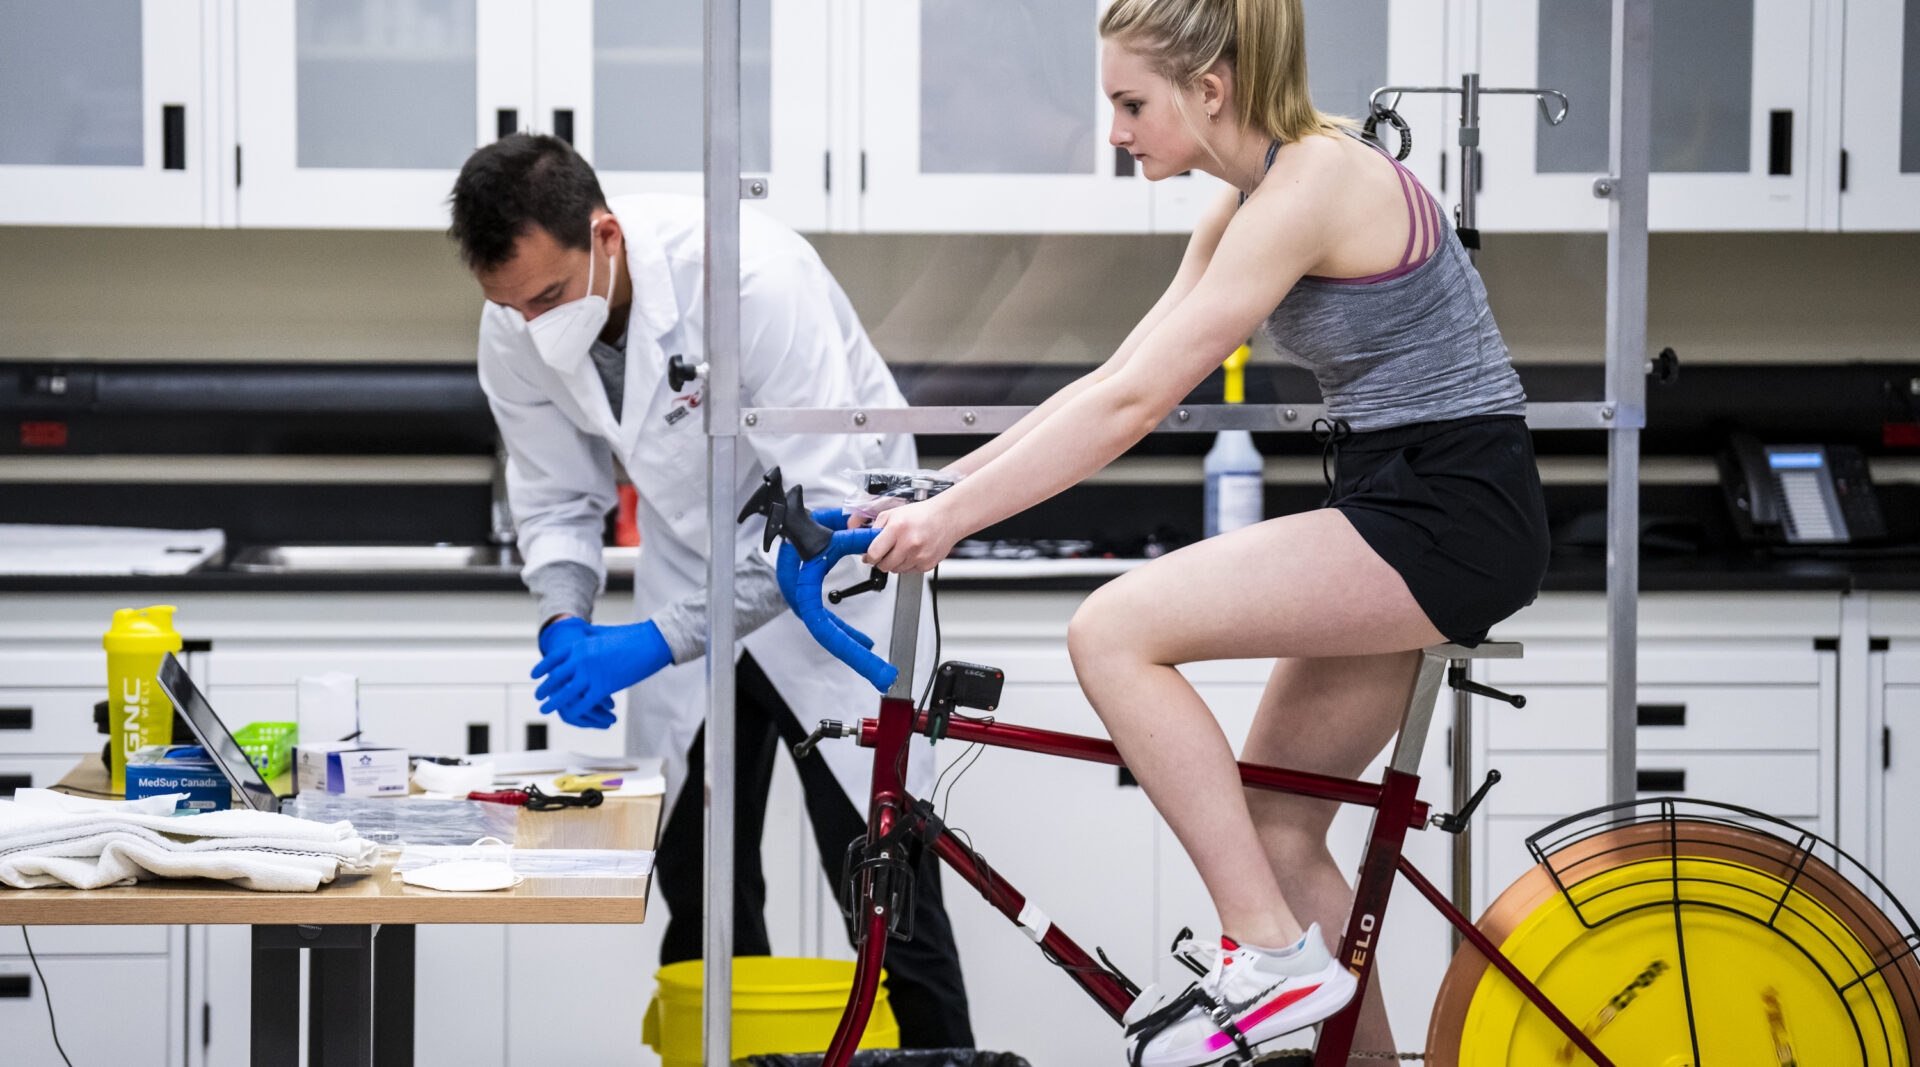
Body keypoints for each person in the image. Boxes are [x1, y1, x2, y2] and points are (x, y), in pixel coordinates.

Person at [857, 1, 1550, 1064]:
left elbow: (1140, 405)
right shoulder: (1245, 202)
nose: (1115, 130)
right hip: (1402, 498)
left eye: (1132, 103)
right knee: (1277, 825)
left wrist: (951, 519)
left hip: (1449, 508)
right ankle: (1305, 983)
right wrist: (941, 487)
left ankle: (1267, 954)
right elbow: (1116, 377)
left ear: (1210, 89)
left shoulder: (1314, 182)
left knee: (1112, 631)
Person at [447, 133, 974, 1048]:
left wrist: (654, 639)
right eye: (510, 305)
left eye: (548, 297)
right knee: (699, 889)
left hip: (837, 593)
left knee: (888, 894)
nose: (532, 324)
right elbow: (554, 496)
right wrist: (564, 616)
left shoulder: (749, 278)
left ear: (605, 235)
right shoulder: (516, 325)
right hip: (691, 571)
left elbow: (818, 522)